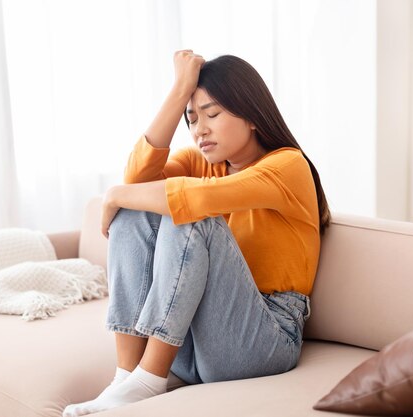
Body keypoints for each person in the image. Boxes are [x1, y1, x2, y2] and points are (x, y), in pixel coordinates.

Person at [62, 49, 331, 417]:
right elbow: (138, 181)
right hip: (195, 340)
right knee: (135, 210)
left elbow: (195, 200)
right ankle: (126, 376)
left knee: (193, 214)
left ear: (251, 114)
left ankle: (148, 380)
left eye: (213, 114)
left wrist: (114, 194)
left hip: (263, 341)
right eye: (191, 118)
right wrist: (179, 89)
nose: (199, 129)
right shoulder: (203, 164)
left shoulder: (287, 165)